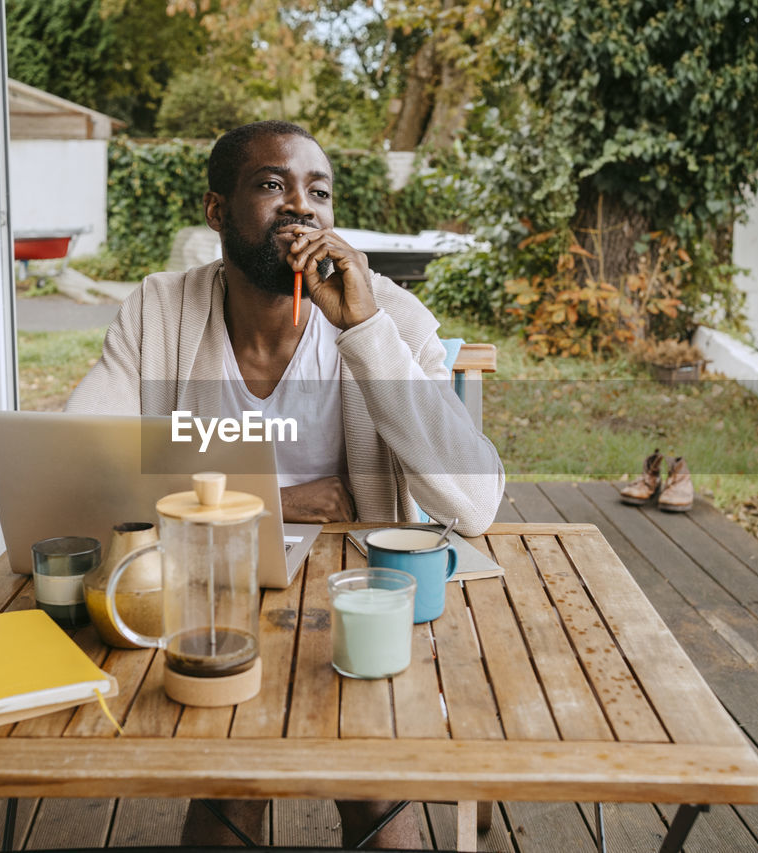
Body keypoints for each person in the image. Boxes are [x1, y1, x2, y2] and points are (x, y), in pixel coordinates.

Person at [67, 120, 504, 847]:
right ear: (217, 211)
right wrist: (276, 503)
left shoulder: (387, 313)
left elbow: (476, 502)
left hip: (356, 591)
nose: (301, 206)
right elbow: (87, 462)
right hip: (206, 588)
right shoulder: (159, 309)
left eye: (319, 191)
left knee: (369, 787)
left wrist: (362, 329)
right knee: (230, 786)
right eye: (273, 185)